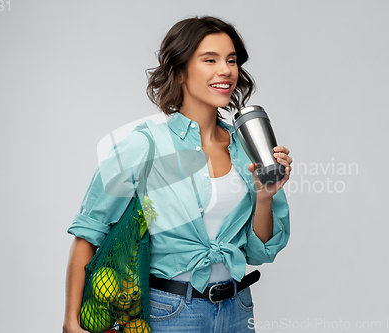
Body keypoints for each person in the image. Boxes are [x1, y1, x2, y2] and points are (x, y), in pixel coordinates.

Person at [63, 16, 292, 333]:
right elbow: (89, 231)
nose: (225, 70)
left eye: (231, 60)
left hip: (238, 311)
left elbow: (259, 252)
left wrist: (265, 198)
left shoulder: (246, 148)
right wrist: (71, 321)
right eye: (210, 60)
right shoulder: (144, 144)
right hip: (170, 314)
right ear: (181, 70)